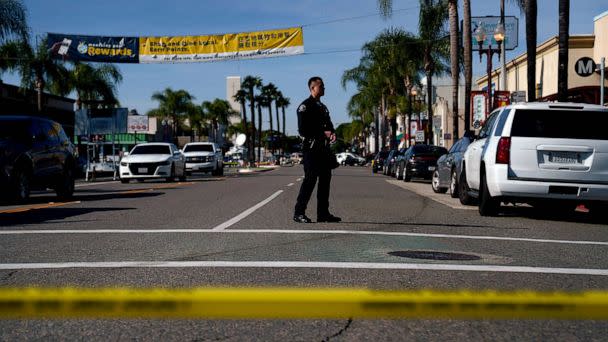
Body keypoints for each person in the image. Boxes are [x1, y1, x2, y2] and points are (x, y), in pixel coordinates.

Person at [293, 76, 341, 223]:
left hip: (324, 150)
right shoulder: (305, 107)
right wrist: (322, 133)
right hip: (311, 150)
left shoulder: (323, 107)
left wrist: (332, 133)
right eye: (321, 86)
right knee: (310, 180)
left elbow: (329, 125)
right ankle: (299, 213)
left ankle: (323, 213)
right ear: (313, 88)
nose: (324, 88)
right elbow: (303, 130)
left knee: (325, 181)